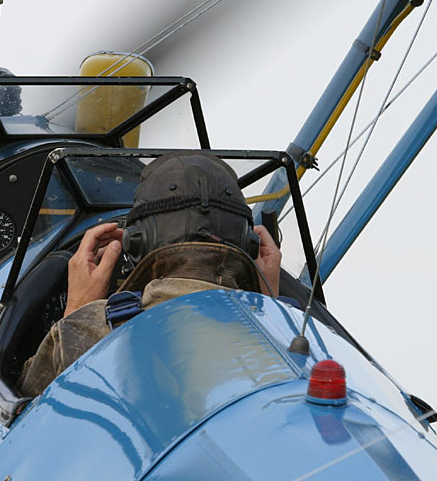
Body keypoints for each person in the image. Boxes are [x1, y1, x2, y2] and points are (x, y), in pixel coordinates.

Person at [17, 152, 282, 397]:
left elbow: (23, 408)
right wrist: (270, 304)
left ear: (137, 242)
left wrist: (78, 311)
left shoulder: (90, 330)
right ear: (249, 244)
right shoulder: (290, 333)